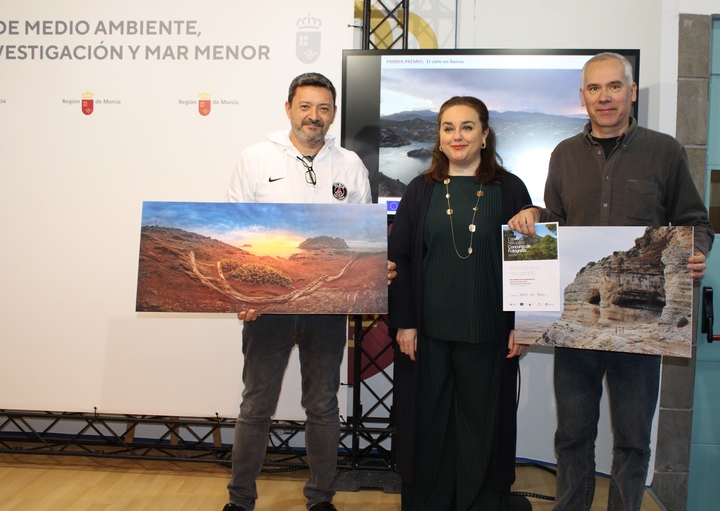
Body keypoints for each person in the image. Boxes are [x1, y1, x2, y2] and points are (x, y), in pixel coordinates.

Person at [508, 52, 714, 511]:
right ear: (583, 97)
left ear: (632, 91)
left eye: (614, 87)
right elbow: (558, 226)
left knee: (634, 439)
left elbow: (695, 221)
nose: (605, 97)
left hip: (642, 322)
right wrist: (534, 220)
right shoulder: (563, 155)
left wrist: (696, 251)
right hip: (579, 321)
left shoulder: (666, 151)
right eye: (595, 89)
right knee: (573, 434)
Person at [222, 72, 395, 511]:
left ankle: (320, 499)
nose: (313, 116)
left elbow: (361, 235)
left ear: (333, 114)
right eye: (305, 106)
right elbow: (237, 230)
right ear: (288, 109)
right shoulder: (256, 158)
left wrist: (376, 270)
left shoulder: (351, 165)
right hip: (267, 308)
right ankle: (240, 502)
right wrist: (241, 297)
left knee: (322, 405)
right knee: (256, 405)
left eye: (323, 108)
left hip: (327, 310)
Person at [388, 96, 532, 511]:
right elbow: (401, 260)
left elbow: (529, 264)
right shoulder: (420, 190)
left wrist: (524, 325)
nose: (458, 136)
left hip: (489, 334)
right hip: (427, 334)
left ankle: (480, 504)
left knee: (482, 426)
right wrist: (405, 323)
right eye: (449, 127)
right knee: (428, 425)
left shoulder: (511, 189)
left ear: (485, 135)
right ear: (439, 135)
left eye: (468, 127)